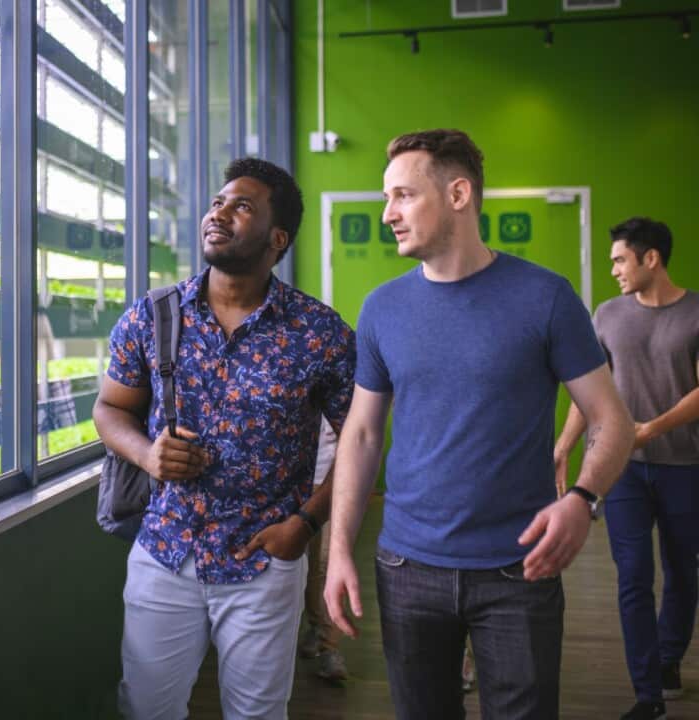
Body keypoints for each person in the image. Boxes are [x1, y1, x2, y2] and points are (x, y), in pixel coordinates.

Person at [323, 128, 635, 720]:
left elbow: (612, 421)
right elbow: (361, 435)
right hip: (406, 568)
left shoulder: (545, 298)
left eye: (403, 196)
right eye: (386, 198)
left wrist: (583, 499)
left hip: (519, 569)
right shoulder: (381, 308)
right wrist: (339, 550)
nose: (388, 213)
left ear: (459, 194)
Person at [94, 157, 355, 720]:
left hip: (264, 561)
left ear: (277, 237)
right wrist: (147, 453)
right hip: (165, 553)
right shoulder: (153, 317)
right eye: (217, 202)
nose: (219, 213)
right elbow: (110, 408)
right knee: (145, 709)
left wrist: (306, 525)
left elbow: (362, 440)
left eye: (242, 206)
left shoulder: (319, 333)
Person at [554, 217, 699, 720]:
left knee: (683, 571)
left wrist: (650, 429)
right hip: (623, 470)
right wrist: (564, 445)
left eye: (619, 259)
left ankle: (667, 657)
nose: (613, 268)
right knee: (634, 576)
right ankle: (648, 694)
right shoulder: (607, 315)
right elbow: (589, 387)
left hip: (686, 466)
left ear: (650, 259)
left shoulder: (697, 312)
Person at [297, 419, 348, 684]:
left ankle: (330, 647)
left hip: (332, 486)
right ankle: (316, 625)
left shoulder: (346, 384)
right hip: (293, 485)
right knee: (302, 566)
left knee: (328, 563)